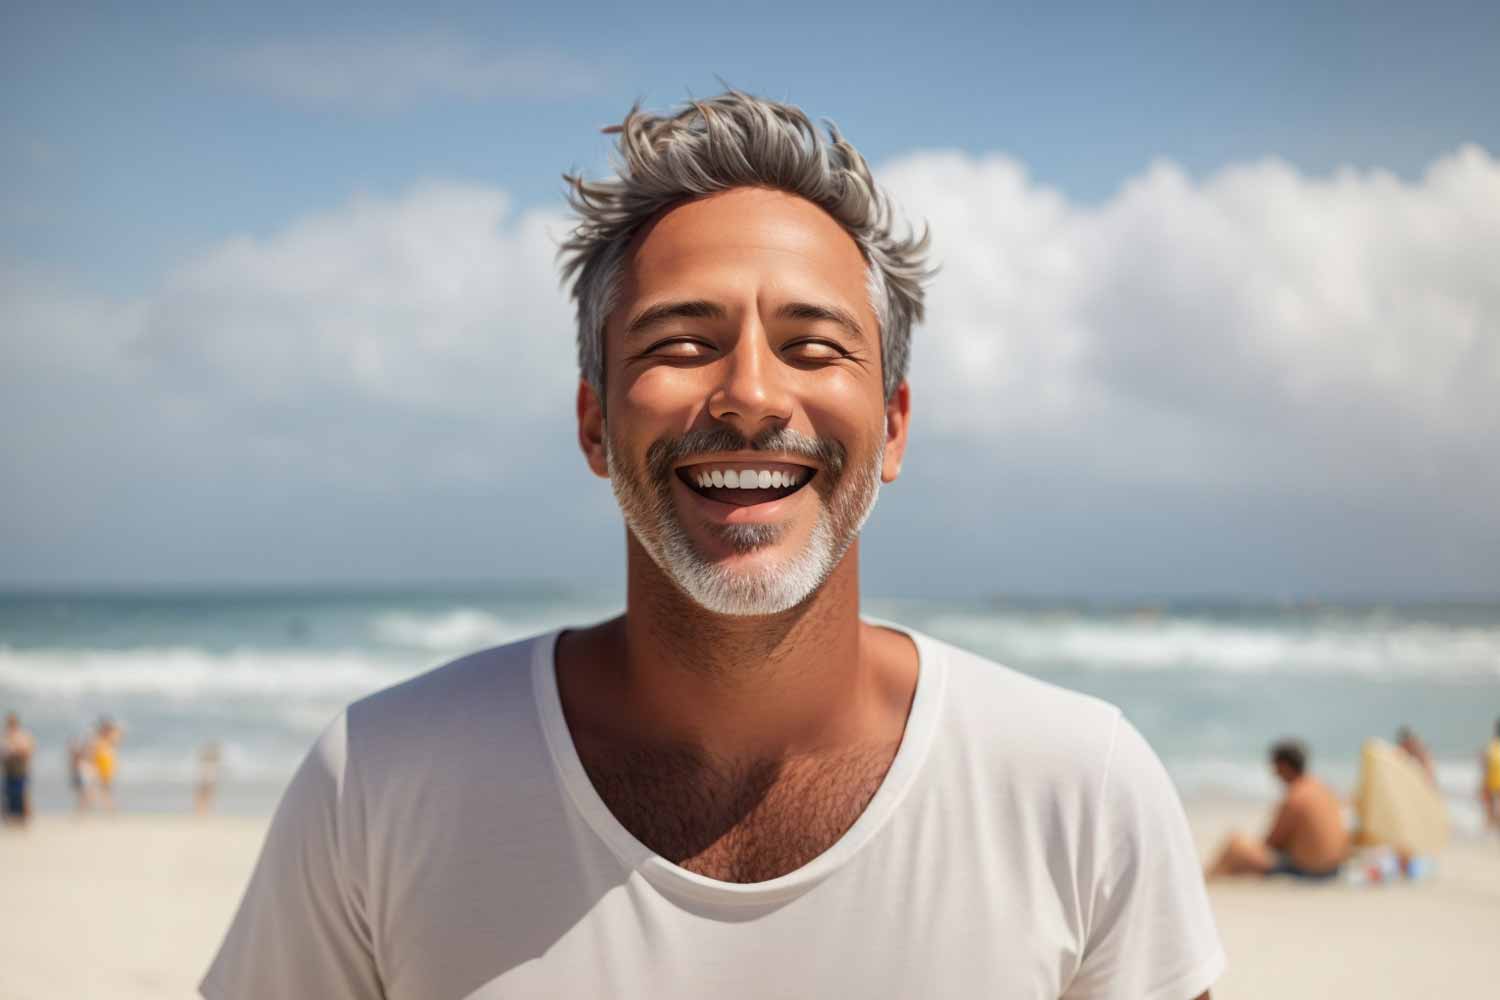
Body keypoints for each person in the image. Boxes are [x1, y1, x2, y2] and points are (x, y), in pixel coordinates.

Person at [204, 91, 1223, 1000]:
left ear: (897, 425)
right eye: (680, 343)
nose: (750, 395)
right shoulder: (381, 782)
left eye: (813, 346)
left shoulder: (1079, 791)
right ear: (595, 424)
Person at [1207, 740, 1349, 880]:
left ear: (1284, 766)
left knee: (1235, 845)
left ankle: (1207, 880)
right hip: (1334, 869)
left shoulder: (1295, 797)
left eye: (1275, 767)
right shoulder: (1323, 788)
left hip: (1310, 871)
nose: (1273, 773)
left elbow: (1272, 843)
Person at [2, 712, 35, 826]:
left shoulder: (23, 736)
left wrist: (15, 750)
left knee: (21, 795)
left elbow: (28, 751)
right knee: (9, 795)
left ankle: (24, 819)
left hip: (20, 770)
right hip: (9, 771)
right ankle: (11, 818)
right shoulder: (5, 736)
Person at [90, 716, 121, 811]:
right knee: (102, 789)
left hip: (105, 766)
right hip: (101, 766)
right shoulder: (101, 740)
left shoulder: (107, 740)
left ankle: (110, 809)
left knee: (102, 789)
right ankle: (110, 808)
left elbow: (117, 736)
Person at [195, 742, 221, 815]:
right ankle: (203, 810)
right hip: (208, 779)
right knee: (205, 795)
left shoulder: (211, 760)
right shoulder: (211, 760)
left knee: (206, 795)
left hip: (208, 780)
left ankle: (203, 810)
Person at [1484, 717, 1500, 830]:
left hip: (1492, 782)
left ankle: (1492, 830)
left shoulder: (1491, 747)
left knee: (1492, 811)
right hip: (1492, 783)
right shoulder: (1491, 747)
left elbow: (1486, 767)